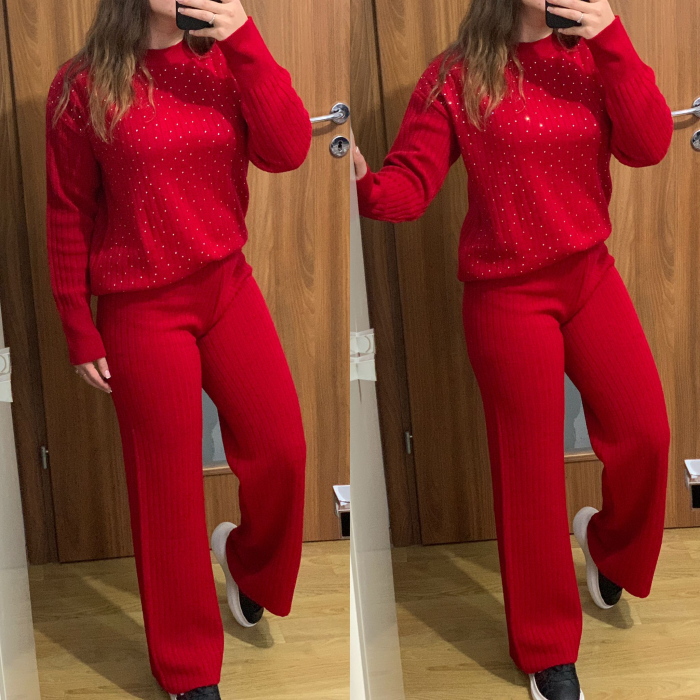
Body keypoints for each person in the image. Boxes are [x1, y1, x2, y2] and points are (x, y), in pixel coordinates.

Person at [353, 1, 673, 698]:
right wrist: (361, 186)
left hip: (590, 275)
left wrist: (612, 37)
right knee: (529, 474)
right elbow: (410, 185)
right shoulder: (456, 75)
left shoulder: (595, 55)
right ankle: (546, 648)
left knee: (646, 433)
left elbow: (649, 144)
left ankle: (609, 549)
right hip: (507, 295)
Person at [45, 1, 312, 698]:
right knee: (165, 490)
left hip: (226, 285)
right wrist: (77, 321)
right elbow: (68, 208)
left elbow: (287, 150)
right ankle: (188, 671)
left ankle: (245, 565)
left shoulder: (227, 60)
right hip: (140, 305)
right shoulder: (83, 85)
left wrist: (245, 40)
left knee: (281, 450)